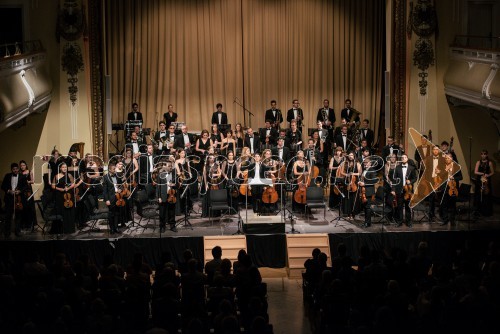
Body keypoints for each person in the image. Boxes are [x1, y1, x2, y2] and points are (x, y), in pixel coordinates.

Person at [1, 162, 28, 238]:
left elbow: (26, 186)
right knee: (8, 216)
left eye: (16, 169)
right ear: (11, 170)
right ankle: (7, 233)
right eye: (14, 169)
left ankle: (17, 231)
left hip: (18, 199)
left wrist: (20, 191)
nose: (15, 170)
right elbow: (3, 186)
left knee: (18, 216)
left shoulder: (22, 176)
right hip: (9, 199)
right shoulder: (7, 176)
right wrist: (9, 191)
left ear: (18, 169)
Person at [391, 154, 417, 227]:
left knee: (408, 207)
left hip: (408, 190)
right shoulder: (397, 167)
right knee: (399, 206)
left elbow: (415, 178)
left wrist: (410, 182)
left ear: (407, 159)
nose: (403, 158)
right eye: (402, 158)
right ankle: (400, 222)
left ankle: (408, 222)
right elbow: (394, 179)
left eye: (405, 157)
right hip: (399, 190)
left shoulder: (412, 168)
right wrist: (393, 189)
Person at [51, 162, 77, 234]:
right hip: (60, 196)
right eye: (63, 167)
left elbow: (73, 184)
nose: (65, 168)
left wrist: (68, 188)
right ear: (60, 168)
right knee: (63, 212)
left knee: (70, 212)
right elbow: (53, 186)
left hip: (69, 195)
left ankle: (70, 229)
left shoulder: (69, 175)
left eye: (65, 167)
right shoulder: (56, 176)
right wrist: (61, 189)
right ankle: (63, 229)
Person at [439, 153, 463, 226]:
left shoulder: (457, 166)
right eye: (446, 158)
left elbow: (461, 177)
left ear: (452, 158)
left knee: (452, 205)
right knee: (444, 205)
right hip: (445, 188)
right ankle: (445, 219)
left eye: (448, 158)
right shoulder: (443, 166)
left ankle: (452, 220)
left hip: (453, 188)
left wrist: (454, 178)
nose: (447, 159)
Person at [338, 151, 362, 220]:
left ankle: (353, 214)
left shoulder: (357, 163)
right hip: (347, 182)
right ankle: (348, 213)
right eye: (350, 155)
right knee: (347, 198)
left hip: (354, 182)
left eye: (352, 155)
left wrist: (353, 174)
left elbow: (360, 173)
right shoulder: (345, 163)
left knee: (354, 198)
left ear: (354, 156)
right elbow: (342, 172)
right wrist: (347, 174)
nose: (350, 156)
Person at [157, 161, 178, 232]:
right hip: (163, 195)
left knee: (172, 212)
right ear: (164, 166)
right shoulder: (160, 175)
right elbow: (158, 186)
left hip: (171, 195)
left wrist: (174, 185)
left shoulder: (173, 174)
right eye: (169, 166)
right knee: (162, 213)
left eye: (171, 166)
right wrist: (158, 197)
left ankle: (172, 226)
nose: (170, 167)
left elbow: (177, 184)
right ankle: (162, 227)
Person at [358, 157, 378, 227]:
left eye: (366, 163)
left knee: (368, 207)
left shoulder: (372, 170)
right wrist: (360, 182)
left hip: (369, 191)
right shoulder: (364, 170)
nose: (365, 164)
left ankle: (368, 223)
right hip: (364, 191)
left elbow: (374, 181)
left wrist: (364, 184)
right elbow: (363, 179)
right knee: (365, 208)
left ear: (370, 163)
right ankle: (366, 221)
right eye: (364, 163)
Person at [474, 149, 494, 217]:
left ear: (487, 155)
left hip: (486, 181)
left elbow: (492, 172)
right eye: (482, 154)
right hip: (479, 180)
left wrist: (488, 175)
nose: (483, 155)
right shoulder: (478, 162)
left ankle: (486, 211)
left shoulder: (490, 162)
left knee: (486, 195)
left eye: (484, 154)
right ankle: (478, 210)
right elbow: (475, 172)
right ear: (480, 155)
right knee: (479, 195)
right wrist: (483, 173)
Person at [19, 160, 37, 231]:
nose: (22, 167)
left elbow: (33, 181)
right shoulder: (19, 173)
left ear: (26, 165)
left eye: (23, 165)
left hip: (28, 191)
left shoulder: (30, 172)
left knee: (30, 207)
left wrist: (28, 181)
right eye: (21, 166)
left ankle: (31, 223)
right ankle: (24, 223)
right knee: (23, 207)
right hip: (22, 191)